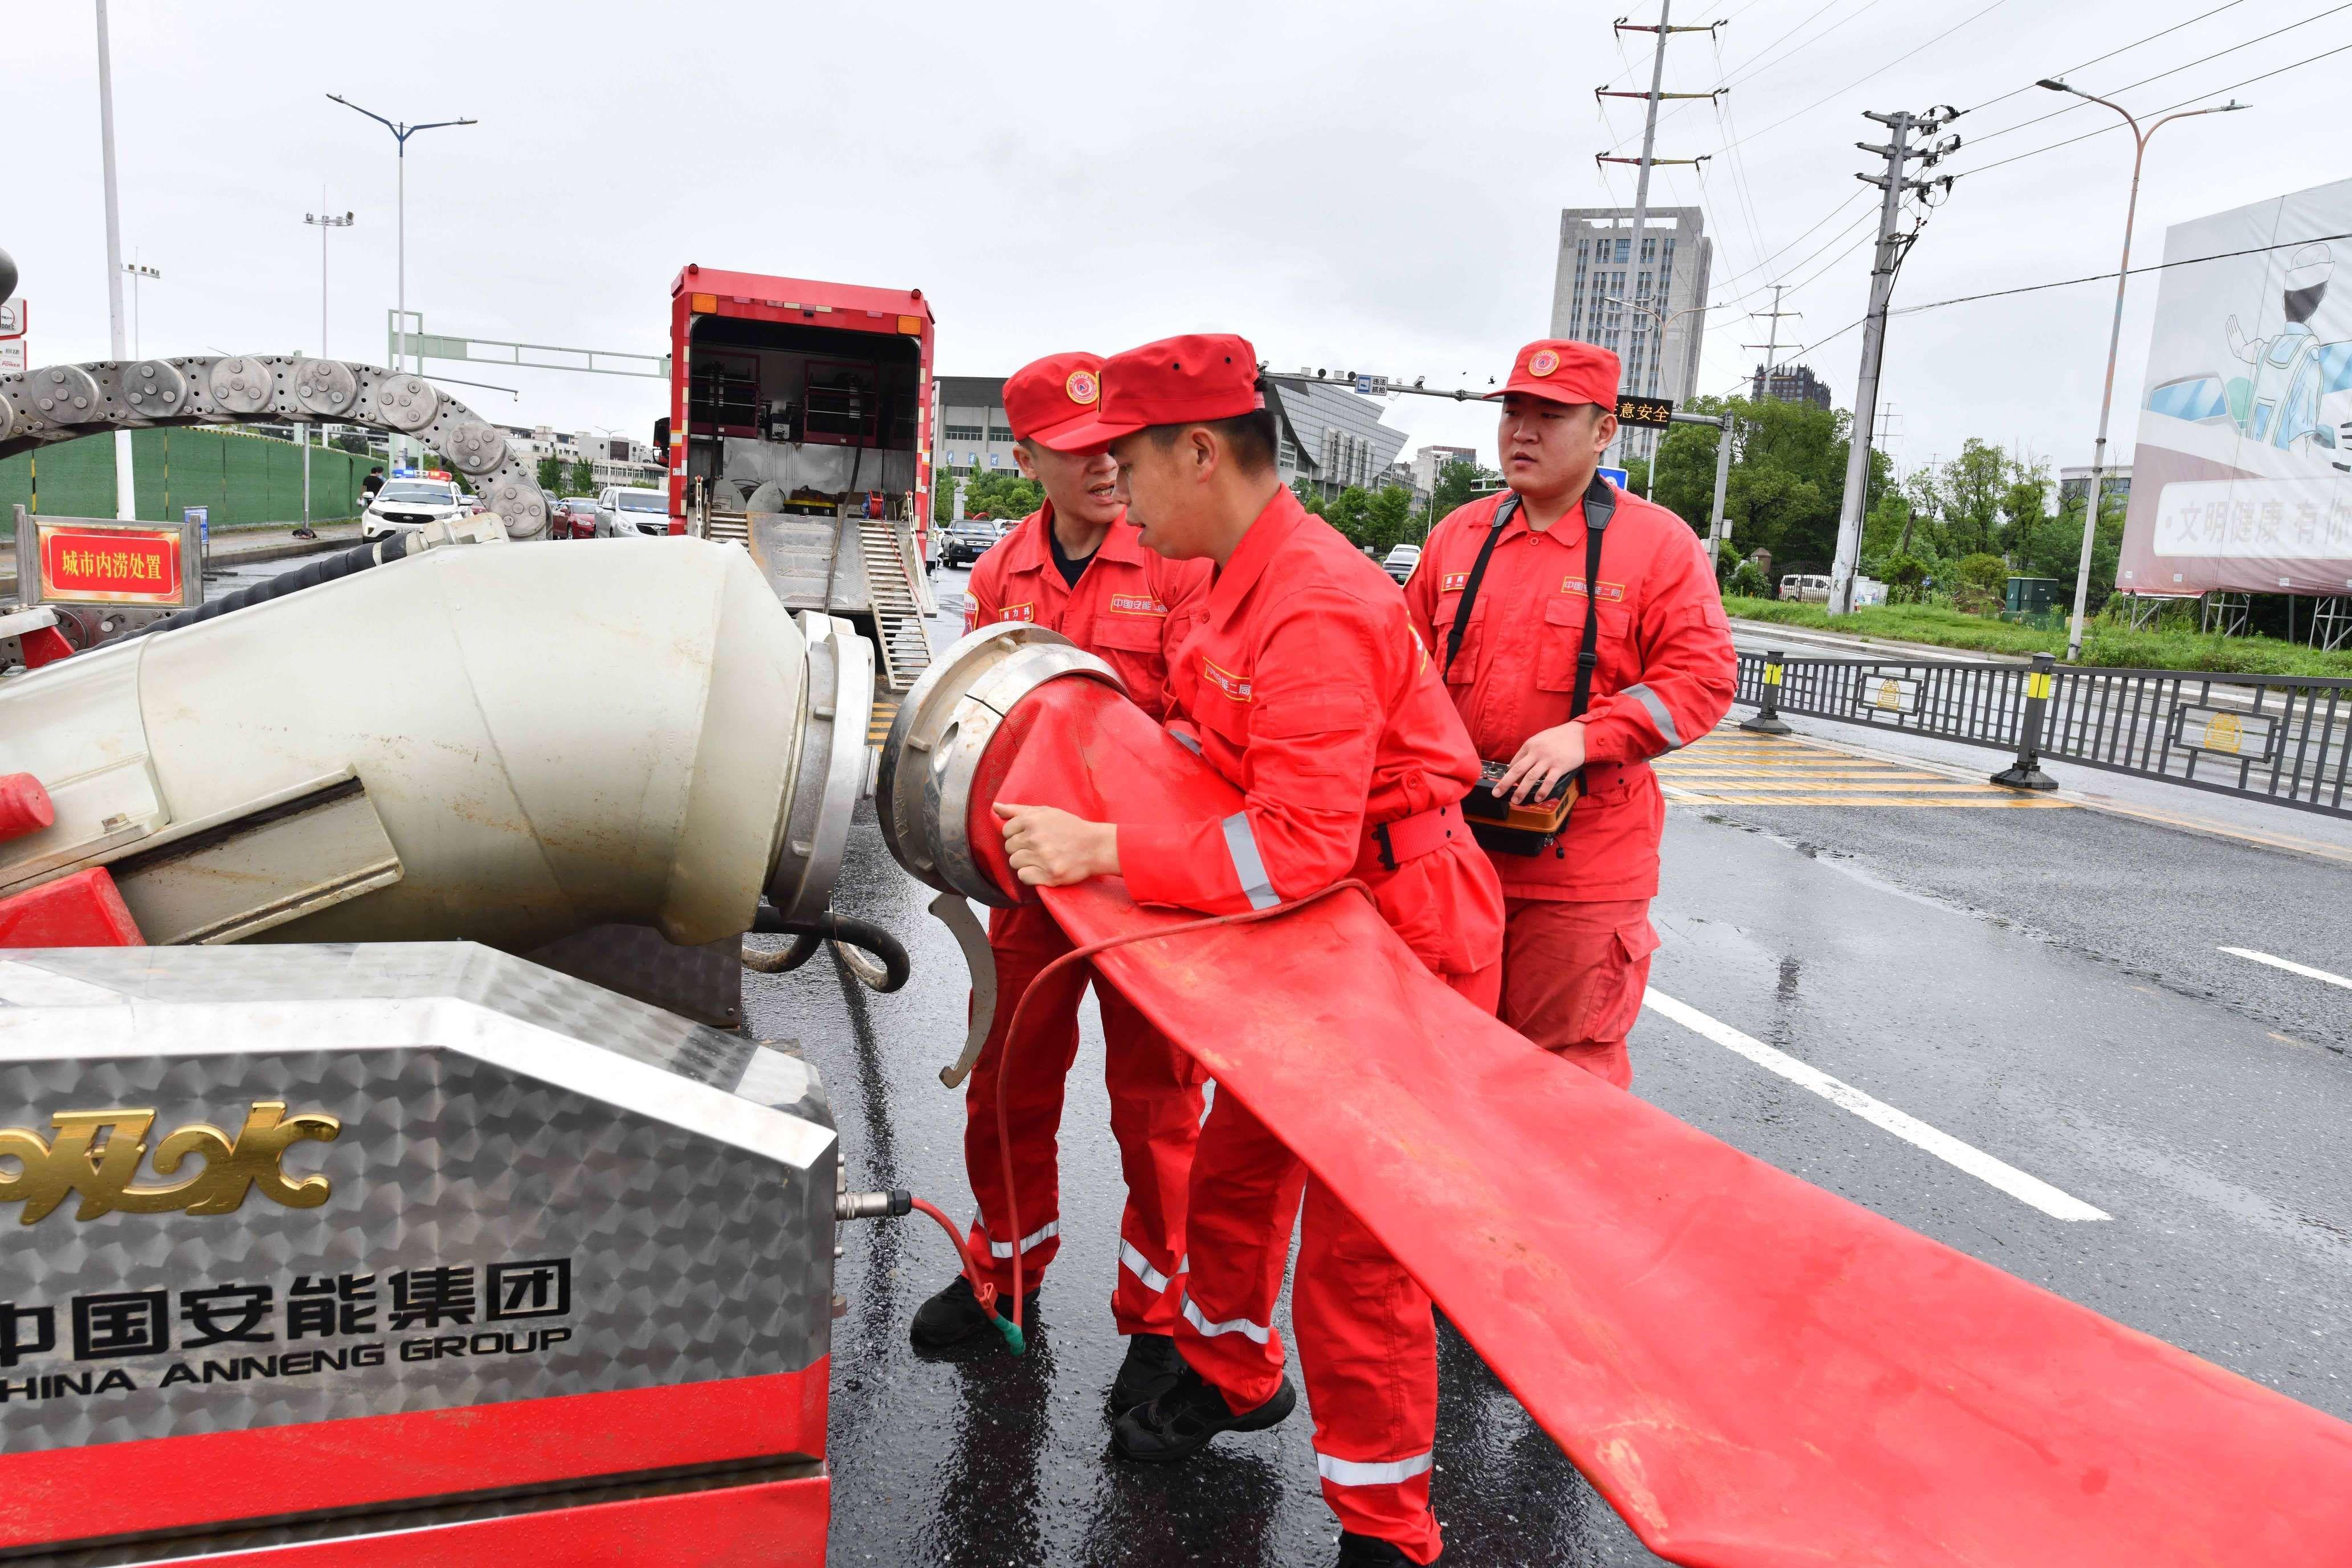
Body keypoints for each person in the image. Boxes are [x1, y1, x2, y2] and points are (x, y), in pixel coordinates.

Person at [994, 333, 1502, 1568]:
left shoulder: (1317, 599)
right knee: (1234, 1165)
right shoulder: (1226, 578)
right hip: (1311, 933)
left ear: (1201, 452)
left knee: (1361, 1247)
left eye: (1130, 461)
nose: (1118, 487)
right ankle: (1229, 1368)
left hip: (1397, 930)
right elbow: (1204, 755)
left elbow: (1301, 845)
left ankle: (1388, 1525)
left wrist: (1100, 847)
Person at [912, 350, 1216, 1418]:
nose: (1102, 468)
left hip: (1146, 886)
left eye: (1112, 448)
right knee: (1007, 1084)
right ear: (1028, 454)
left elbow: (1208, 728)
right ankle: (1007, 1272)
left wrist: (1114, 824)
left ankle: (1161, 1323)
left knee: (1157, 1110)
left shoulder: (1178, 562)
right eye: (1076, 451)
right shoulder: (1002, 574)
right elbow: (980, 721)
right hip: (1030, 883)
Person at [1403, 340, 1735, 1089]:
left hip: (1582, 872)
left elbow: (1703, 678)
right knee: (1439, 1073)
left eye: (1550, 415)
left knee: (1562, 1092)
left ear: (1603, 430)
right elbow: (1396, 669)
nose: (1523, 430)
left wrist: (1589, 735)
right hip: (1458, 854)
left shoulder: (1658, 546)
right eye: (1514, 411)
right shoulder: (1457, 536)